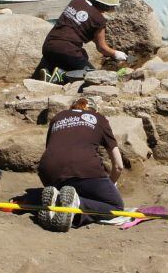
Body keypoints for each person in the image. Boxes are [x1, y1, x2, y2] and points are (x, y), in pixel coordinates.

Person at [36, 98, 125, 232]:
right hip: (84, 168)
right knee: (116, 206)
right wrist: (111, 184)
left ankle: (58, 197)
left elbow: (51, 149)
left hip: (48, 172)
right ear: (95, 110)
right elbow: (118, 166)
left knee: (71, 189)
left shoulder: (58, 117)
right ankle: (78, 203)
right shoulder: (99, 119)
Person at [34, 0, 128, 83]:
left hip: (48, 46)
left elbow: (77, 27)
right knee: (92, 76)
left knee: (82, 54)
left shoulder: (76, 2)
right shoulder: (99, 20)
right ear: (107, 5)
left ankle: (50, 71)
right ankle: (61, 76)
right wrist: (116, 53)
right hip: (67, 51)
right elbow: (101, 47)